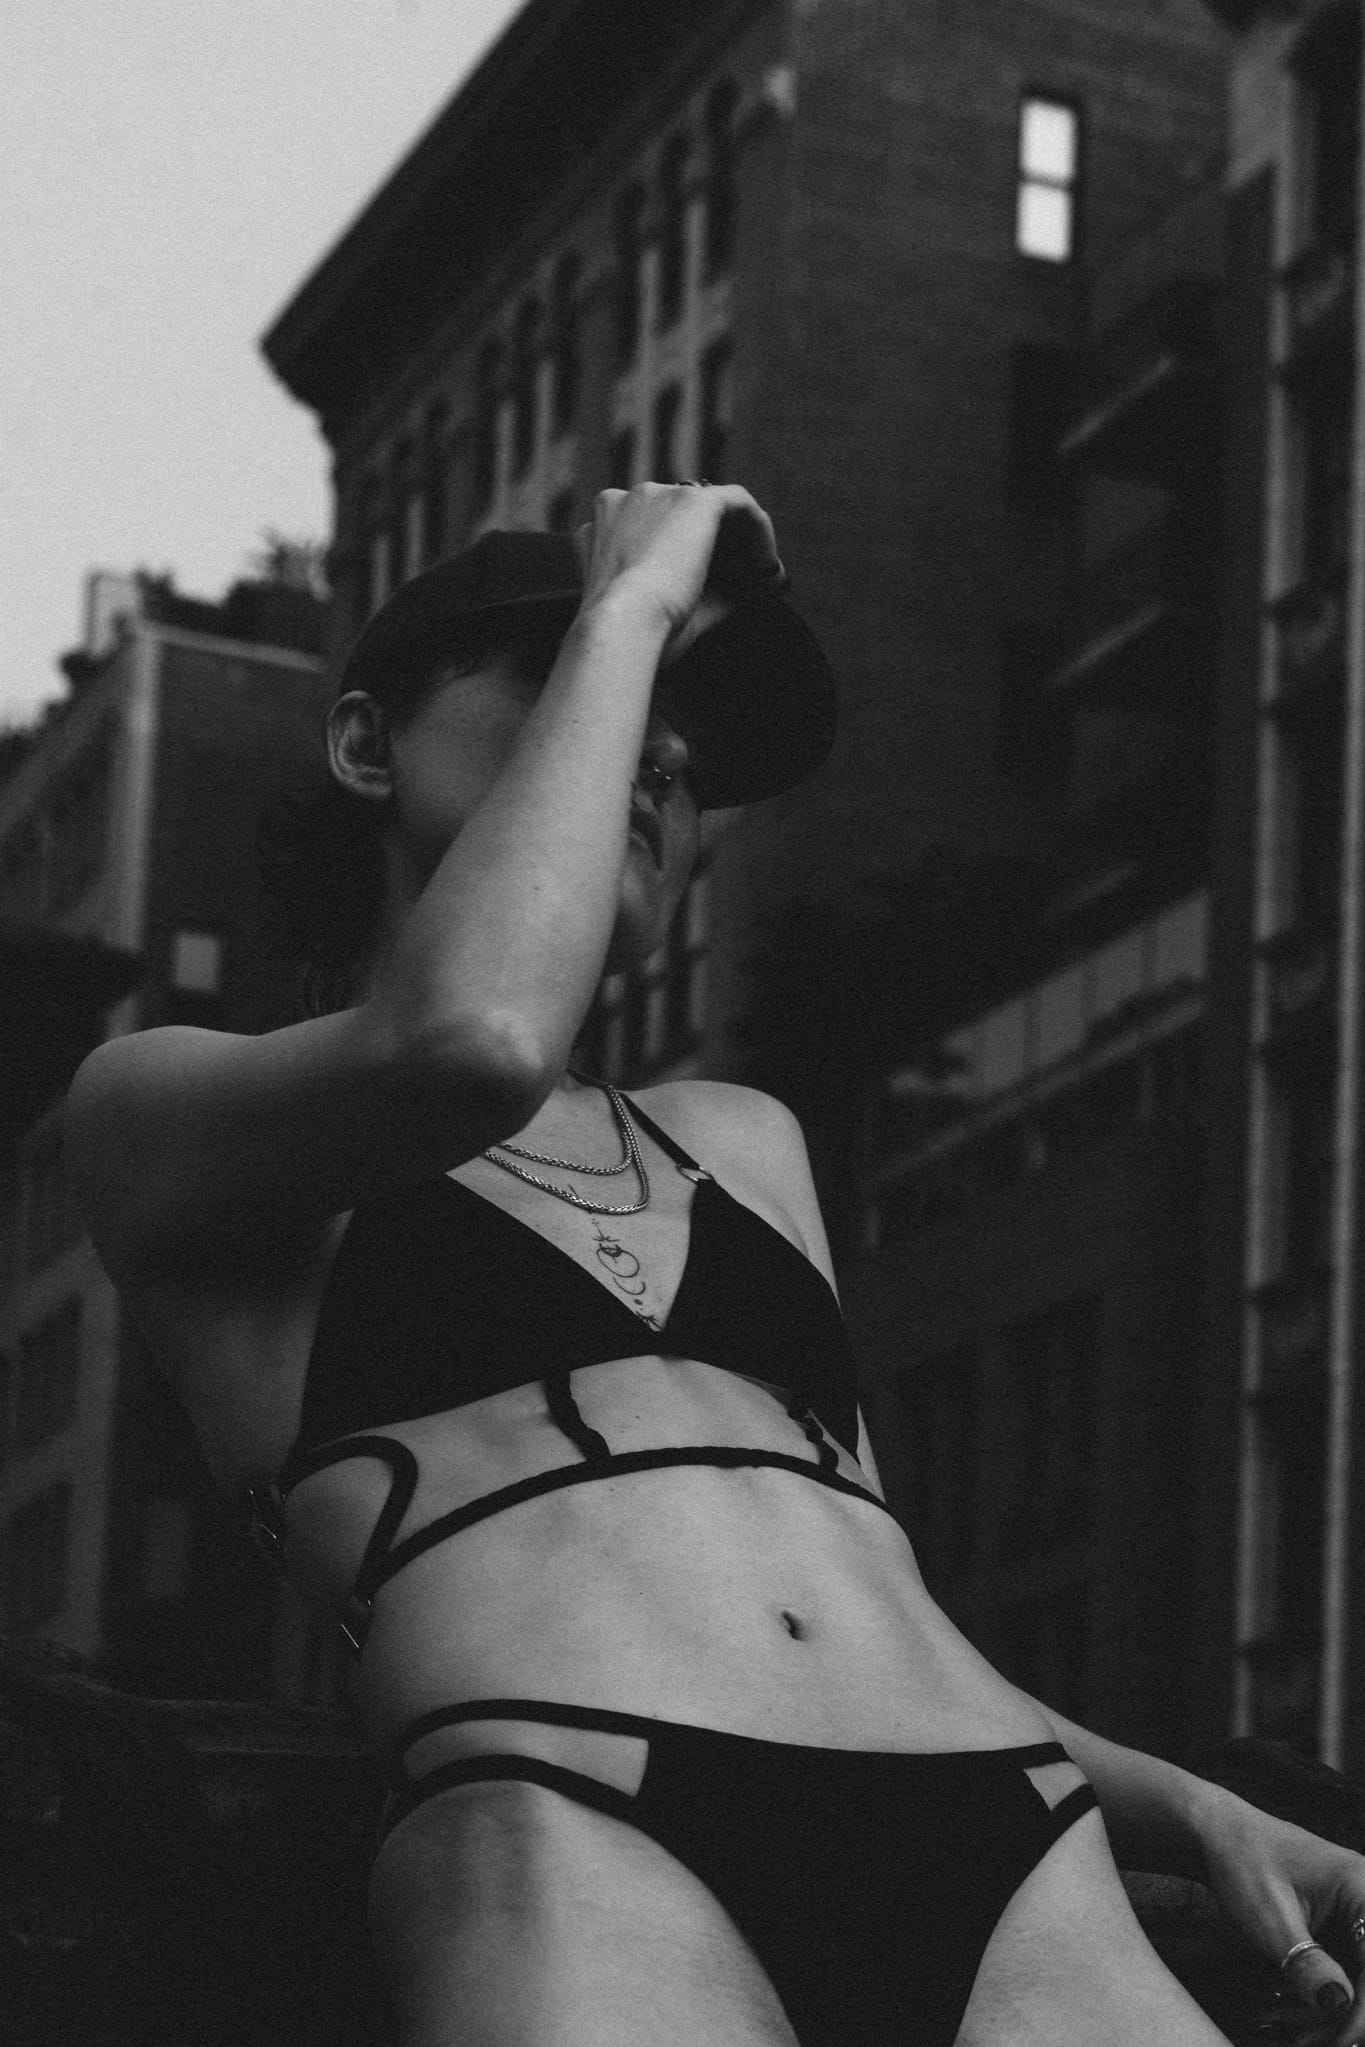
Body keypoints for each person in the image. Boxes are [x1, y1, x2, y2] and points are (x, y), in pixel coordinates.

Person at [66, 481, 1365, 2047]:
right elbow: (469, 1041)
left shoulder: (740, 1141)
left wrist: (1189, 1811)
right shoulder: (163, 1104)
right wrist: (623, 601)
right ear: (364, 746)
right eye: (573, 674)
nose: (662, 749)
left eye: (688, 750)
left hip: (1014, 1850)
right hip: (578, 1815)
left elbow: (834, 1606)